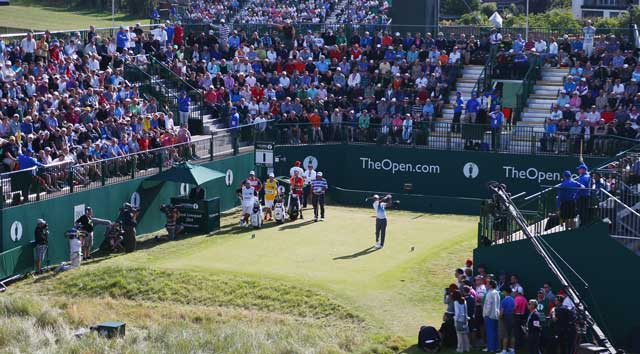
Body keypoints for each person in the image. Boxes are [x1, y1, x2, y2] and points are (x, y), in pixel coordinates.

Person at [483, 280, 501, 353]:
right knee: (495, 332)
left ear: (490, 285)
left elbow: (489, 305)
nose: (486, 285)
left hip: (489, 315)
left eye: (487, 284)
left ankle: (491, 348)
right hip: (496, 315)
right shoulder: (497, 293)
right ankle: (496, 347)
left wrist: (486, 314)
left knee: (490, 332)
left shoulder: (489, 293)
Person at [499, 287, 516, 354]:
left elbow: (501, 312)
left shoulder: (503, 301)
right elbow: (514, 308)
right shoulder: (513, 299)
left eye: (503, 291)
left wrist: (500, 317)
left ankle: (504, 350)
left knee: (505, 335)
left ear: (506, 292)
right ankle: (512, 350)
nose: (503, 293)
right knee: (512, 334)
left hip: (506, 318)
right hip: (512, 317)